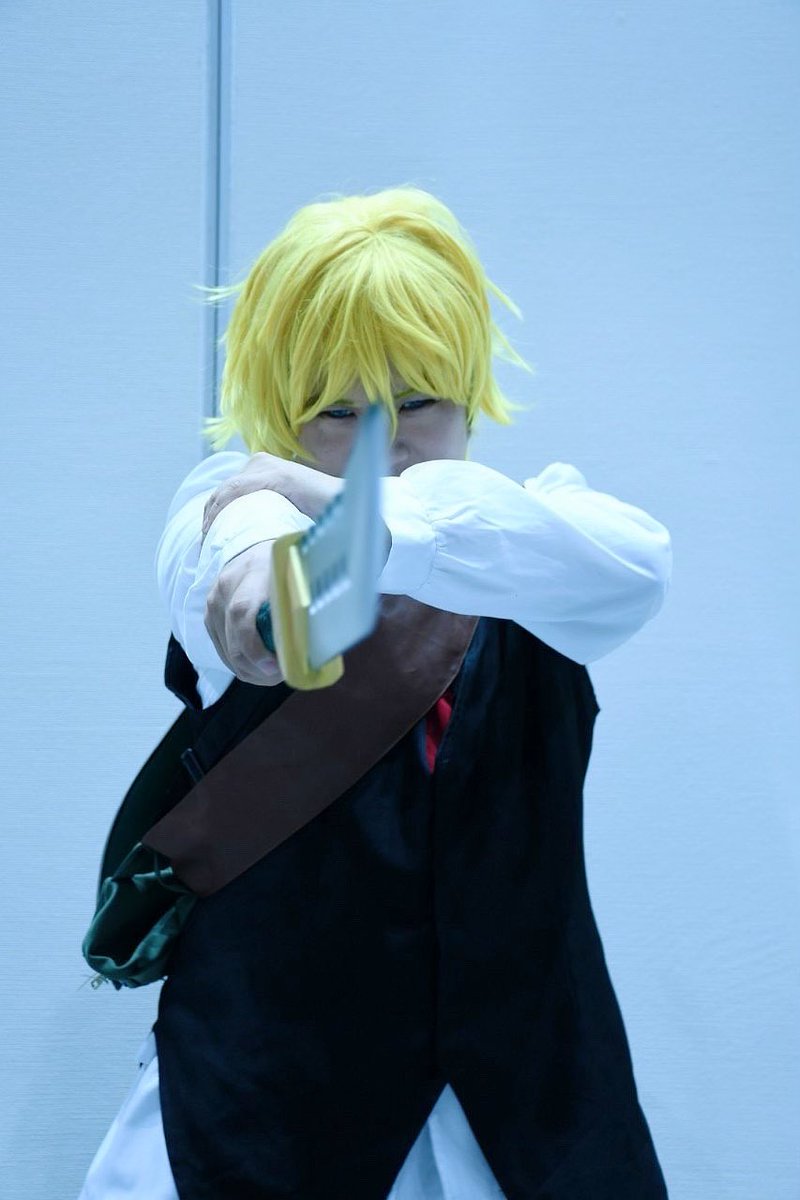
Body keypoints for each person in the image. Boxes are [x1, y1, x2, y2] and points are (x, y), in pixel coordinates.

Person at [78, 185, 672, 1198]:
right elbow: (246, 568)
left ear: (467, 390)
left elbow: (634, 571)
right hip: (265, 1099)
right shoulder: (231, 504)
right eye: (339, 412)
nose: (383, 443)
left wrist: (370, 514)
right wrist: (271, 592)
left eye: (418, 402)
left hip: (529, 1110)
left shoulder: (533, 532)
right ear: (283, 409)